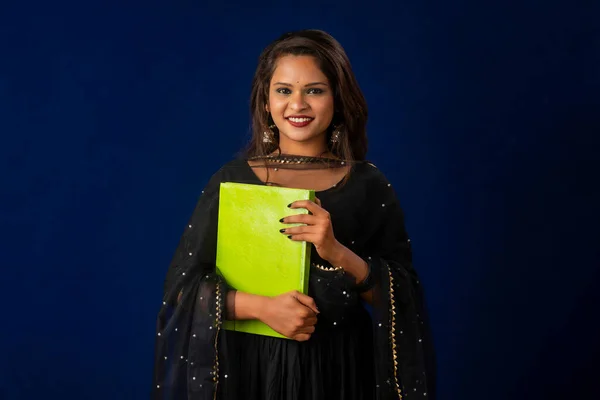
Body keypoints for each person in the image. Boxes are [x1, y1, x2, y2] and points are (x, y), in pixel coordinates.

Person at [152, 29, 436, 400]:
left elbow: (402, 299)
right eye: (284, 90)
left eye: (314, 90)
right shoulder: (232, 180)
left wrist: (336, 251)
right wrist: (265, 309)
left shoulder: (367, 183)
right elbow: (182, 291)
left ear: (337, 98)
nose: (297, 104)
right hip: (248, 368)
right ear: (266, 101)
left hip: (340, 370)